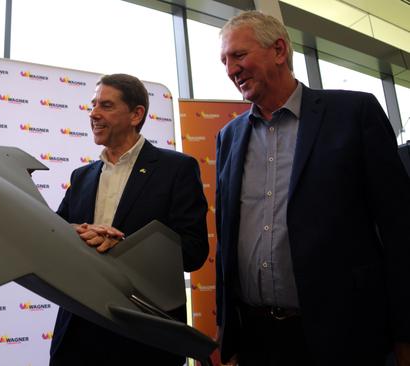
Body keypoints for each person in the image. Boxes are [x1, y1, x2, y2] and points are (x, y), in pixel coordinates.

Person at [215, 10, 410, 366]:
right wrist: (228, 334)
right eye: (225, 61)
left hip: (344, 337)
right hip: (258, 340)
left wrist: (405, 334)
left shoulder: (354, 113)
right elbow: (227, 237)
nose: (231, 70)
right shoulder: (229, 137)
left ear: (279, 50)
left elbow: (400, 231)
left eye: (239, 55)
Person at [49, 73, 209, 365]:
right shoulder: (81, 177)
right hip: (77, 334)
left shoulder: (176, 169)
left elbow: (194, 252)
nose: (94, 113)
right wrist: (79, 231)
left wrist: (126, 245)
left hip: (144, 338)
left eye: (106, 105)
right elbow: (53, 233)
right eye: (94, 104)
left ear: (136, 115)